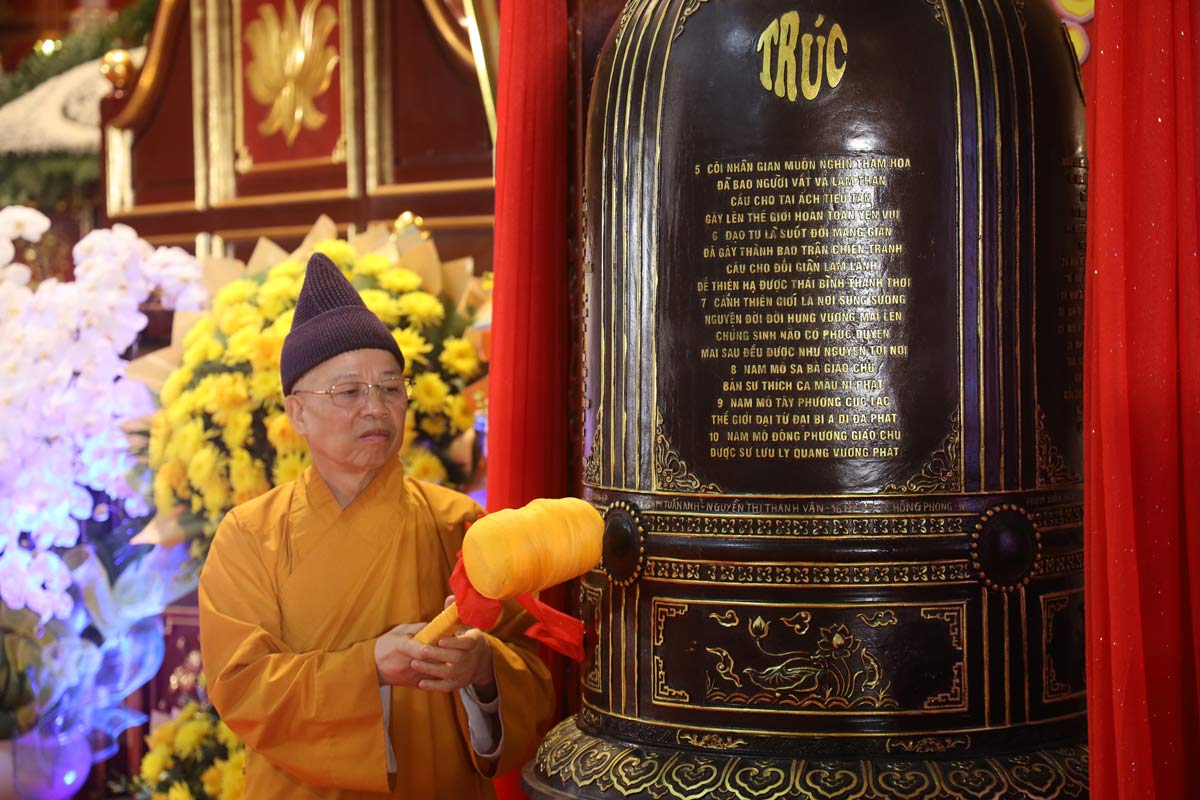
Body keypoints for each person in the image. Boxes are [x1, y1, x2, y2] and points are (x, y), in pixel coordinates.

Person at [198, 253, 555, 799]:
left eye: (391, 388)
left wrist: (484, 670)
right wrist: (369, 669)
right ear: (297, 413)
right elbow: (241, 687)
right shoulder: (250, 536)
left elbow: (532, 677)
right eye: (349, 392)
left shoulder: (457, 523)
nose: (376, 408)